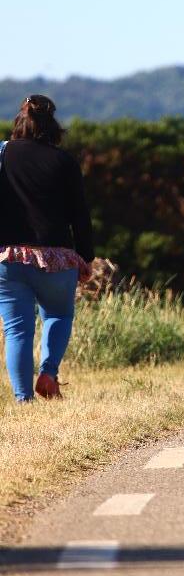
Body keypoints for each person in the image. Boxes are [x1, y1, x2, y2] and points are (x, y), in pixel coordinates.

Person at [0, 96, 94, 402]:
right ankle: (49, 373)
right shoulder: (64, 161)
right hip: (57, 257)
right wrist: (86, 256)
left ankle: (23, 398)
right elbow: (80, 214)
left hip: (9, 257)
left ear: (20, 121)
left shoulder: (2, 154)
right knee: (58, 315)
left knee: (17, 330)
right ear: (53, 125)